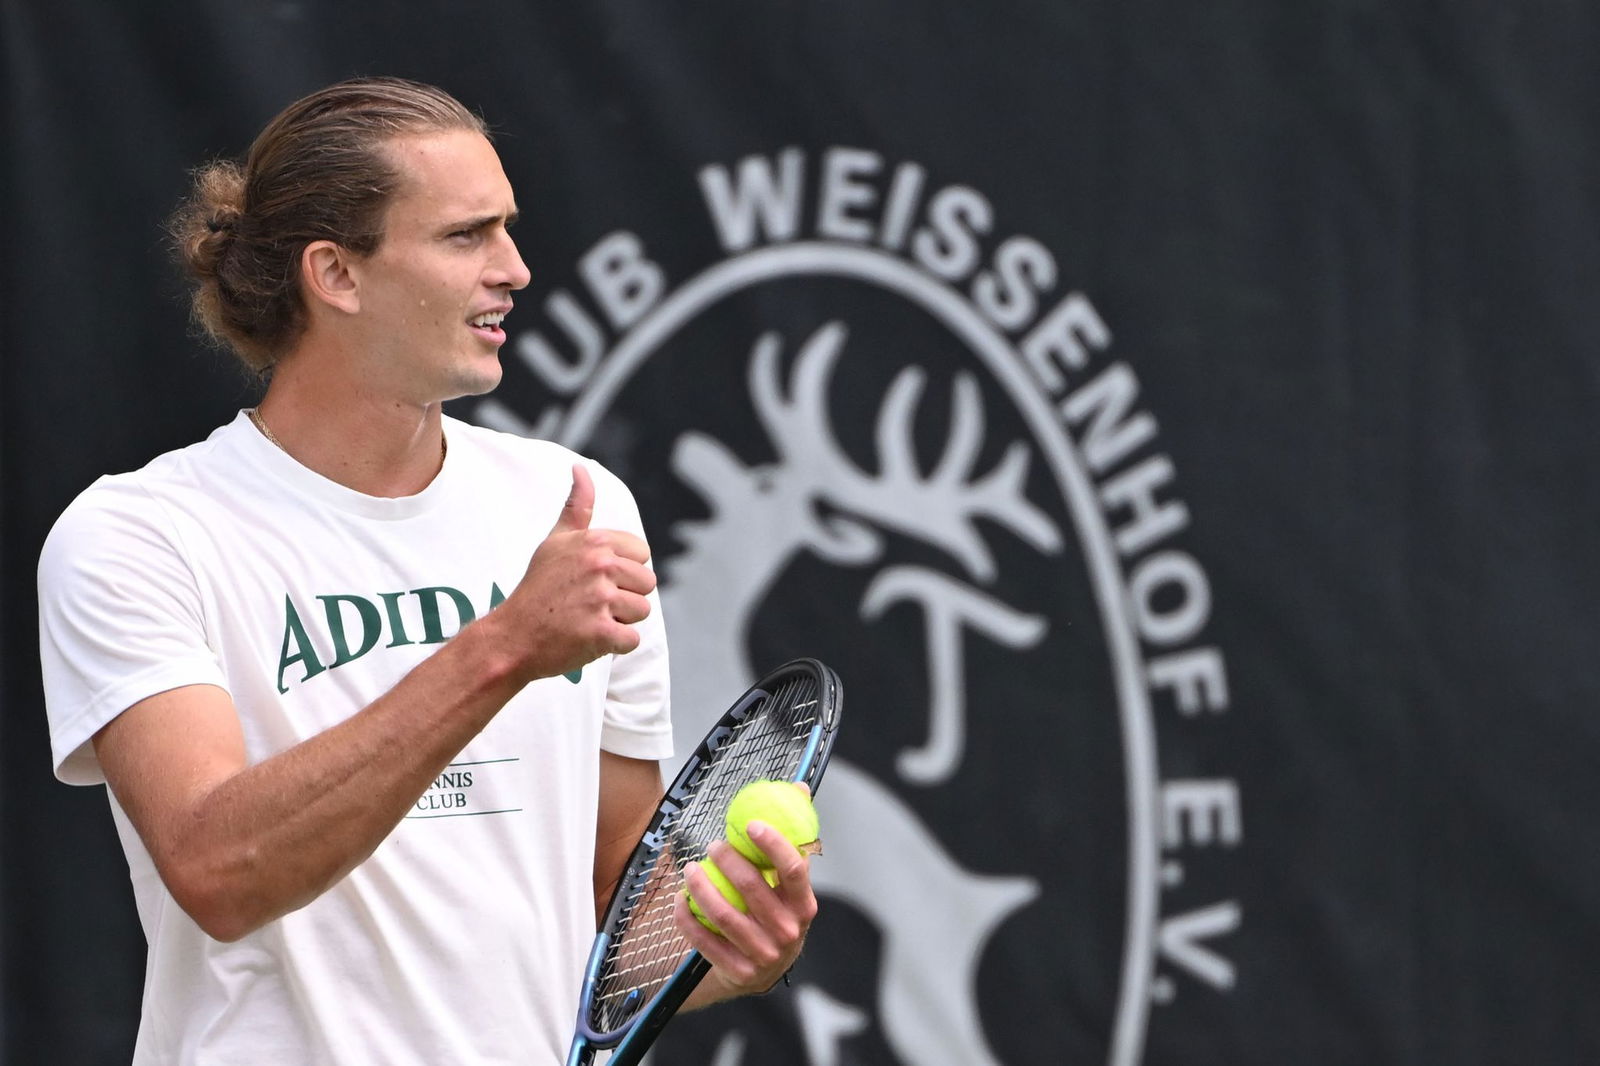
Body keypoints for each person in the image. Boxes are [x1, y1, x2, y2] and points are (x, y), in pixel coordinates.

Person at [37, 76, 815, 1064]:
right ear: (337, 274)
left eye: (509, 229)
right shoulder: (137, 536)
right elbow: (216, 866)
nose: (516, 269)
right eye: (465, 236)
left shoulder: (577, 507)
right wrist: (502, 648)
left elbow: (617, 897)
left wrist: (735, 940)